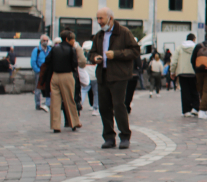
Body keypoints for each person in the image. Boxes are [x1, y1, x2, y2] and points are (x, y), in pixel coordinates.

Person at [87, 8, 139, 149]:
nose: (99, 21)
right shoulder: (99, 35)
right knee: (104, 107)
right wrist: (95, 58)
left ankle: (125, 136)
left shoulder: (124, 32)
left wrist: (115, 54)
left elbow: (135, 51)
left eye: (101, 18)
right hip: (102, 75)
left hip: (119, 75)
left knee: (118, 106)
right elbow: (92, 53)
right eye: (97, 18)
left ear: (110, 18)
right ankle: (109, 137)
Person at [46, 30, 83, 133]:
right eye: (73, 39)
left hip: (55, 75)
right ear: (67, 39)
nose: (74, 41)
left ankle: (55, 125)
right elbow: (74, 63)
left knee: (55, 102)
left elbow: (47, 60)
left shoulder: (54, 48)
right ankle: (74, 123)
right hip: (67, 75)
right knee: (69, 100)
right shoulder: (71, 49)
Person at [172, 33, 199, 117]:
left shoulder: (179, 48)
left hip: (182, 72)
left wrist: (172, 72)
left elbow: (174, 61)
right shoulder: (196, 47)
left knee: (185, 92)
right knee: (194, 90)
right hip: (194, 72)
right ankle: (195, 108)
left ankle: (186, 110)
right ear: (194, 39)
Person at [31, 35, 51, 112]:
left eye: (47, 40)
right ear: (41, 41)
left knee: (49, 88)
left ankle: (47, 104)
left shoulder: (50, 49)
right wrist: (38, 71)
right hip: (40, 71)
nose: (45, 42)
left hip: (48, 71)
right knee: (38, 88)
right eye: (44, 40)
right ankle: (38, 104)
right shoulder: (36, 50)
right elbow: (33, 62)